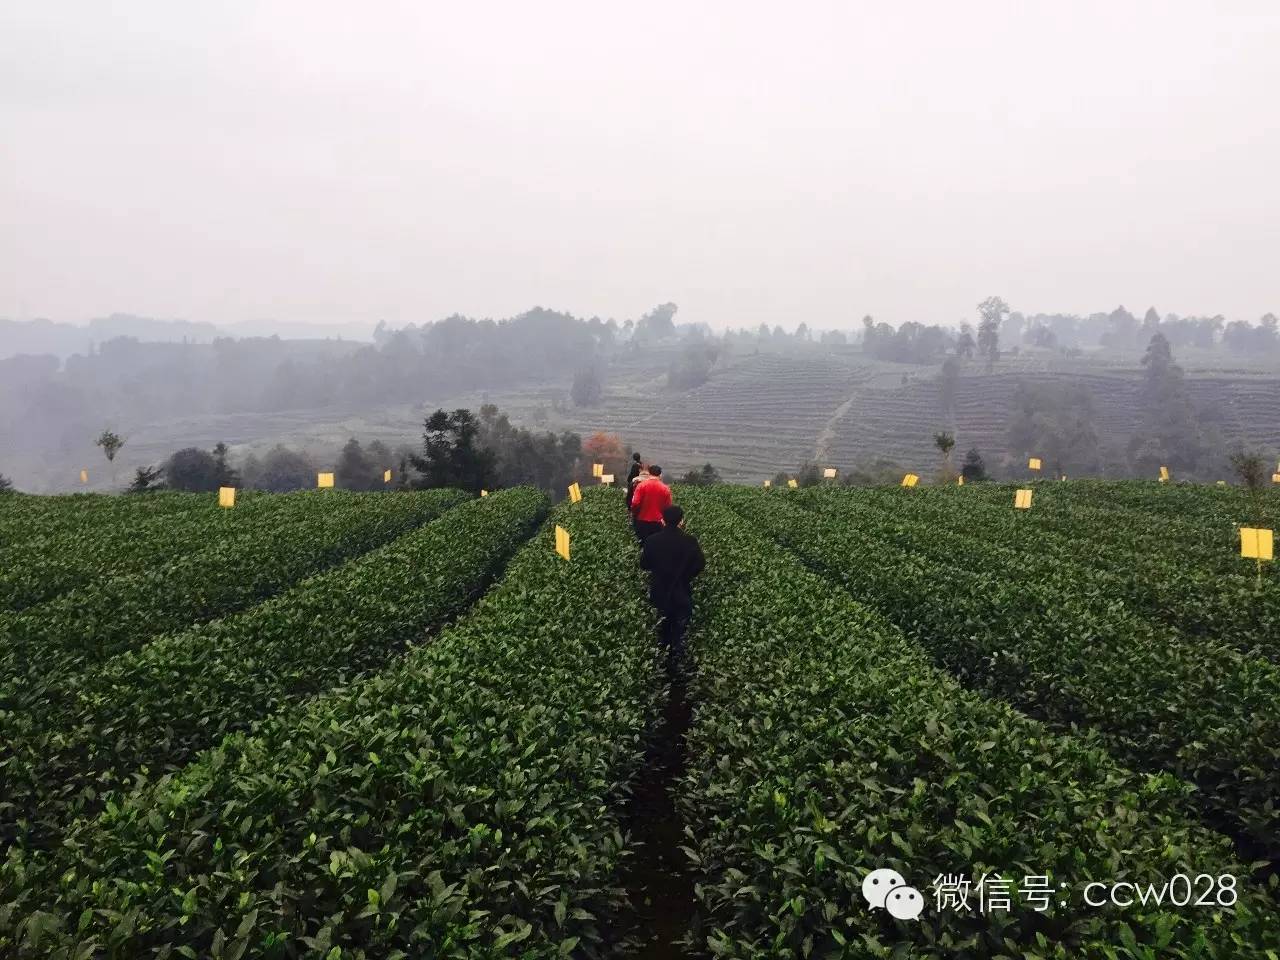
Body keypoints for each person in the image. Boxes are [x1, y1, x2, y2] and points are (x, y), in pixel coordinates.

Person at [640, 504, 705, 656]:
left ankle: (662, 654)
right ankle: (677, 655)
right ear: (681, 521)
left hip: (659, 589)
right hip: (681, 589)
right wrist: (687, 575)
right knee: (680, 627)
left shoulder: (651, 540)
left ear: (662, 521)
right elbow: (700, 564)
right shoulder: (689, 541)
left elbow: (644, 564)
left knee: (661, 625)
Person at [630, 464, 671, 542]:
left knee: (642, 544)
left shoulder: (641, 486)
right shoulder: (665, 488)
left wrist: (634, 513)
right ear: (660, 475)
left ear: (649, 473)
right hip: (658, 522)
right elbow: (668, 507)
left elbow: (635, 503)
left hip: (642, 520)